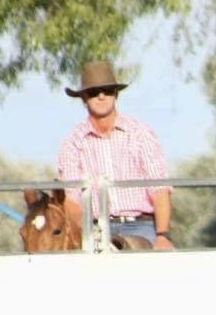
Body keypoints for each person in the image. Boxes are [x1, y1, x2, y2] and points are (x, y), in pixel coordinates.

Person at [57, 60, 176, 252]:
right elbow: (72, 200)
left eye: (107, 90)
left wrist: (162, 235)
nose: (101, 96)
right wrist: (85, 234)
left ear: (116, 94)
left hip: (141, 225)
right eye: (94, 92)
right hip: (96, 228)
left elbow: (159, 189)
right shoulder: (73, 143)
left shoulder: (140, 134)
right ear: (84, 98)